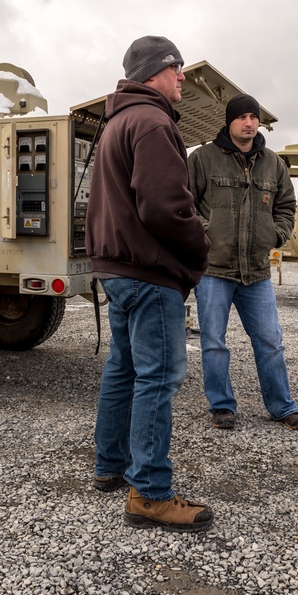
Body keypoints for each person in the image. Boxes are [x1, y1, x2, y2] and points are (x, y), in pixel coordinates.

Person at [85, 35, 214, 533]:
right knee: (157, 378)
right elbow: (165, 207)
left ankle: (110, 465)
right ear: (153, 72)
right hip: (148, 273)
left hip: (116, 270)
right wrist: (198, 250)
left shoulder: (118, 120)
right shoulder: (152, 121)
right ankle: (152, 493)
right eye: (175, 67)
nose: (182, 75)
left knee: (123, 369)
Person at [187, 94, 298, 431]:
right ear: (229, 122)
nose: (249, 122)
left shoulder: (273, 164)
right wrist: (207, 232)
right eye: (241, 116)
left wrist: (276, 235)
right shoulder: (202, 159)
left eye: (253, 116)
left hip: (256, 271)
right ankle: (221, 406)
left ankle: (282, 407)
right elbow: (186, 204)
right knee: (214, 342)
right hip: (215, 269)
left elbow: (286, 206)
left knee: (270, 341)